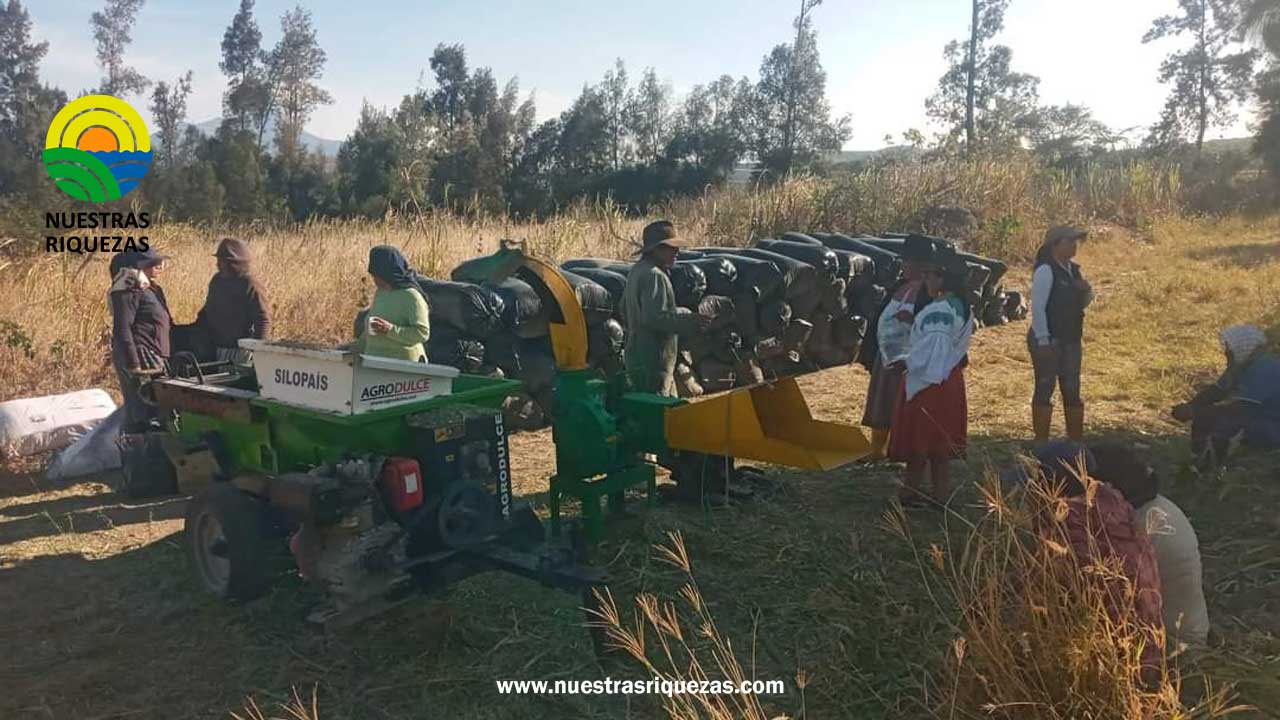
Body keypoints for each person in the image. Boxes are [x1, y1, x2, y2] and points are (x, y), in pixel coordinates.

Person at [1006, 441, 1164, 678]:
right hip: (1146, 660)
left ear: (1049, 491)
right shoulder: (1119, 514)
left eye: (1032, 488)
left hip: (1106, 673)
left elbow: (1031, 606)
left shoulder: (1072, 539)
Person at [1090, 441, 1209, 649]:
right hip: (1183, 639)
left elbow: (1102, 605)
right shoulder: (1159, 508)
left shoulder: (1130, 532)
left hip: (1167, 651)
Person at [888, 248, 973, 505]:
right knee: (938, 444)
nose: (926, 279)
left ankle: (909, 492)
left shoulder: (941, 310)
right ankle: (940, 494)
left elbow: (936, 345)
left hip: (931, 381)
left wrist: (906, 361)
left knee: (921, 440)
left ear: (943, 278)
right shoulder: (955, 304)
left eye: (930, 275)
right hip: (948, 379)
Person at [861, 236, 932, 460]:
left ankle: (901, 449)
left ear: (922, 265)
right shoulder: (900, 286)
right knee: (881, 402)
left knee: (904, 404)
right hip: (887, 356)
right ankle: (876, 450)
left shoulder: (929, 293)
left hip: (911, 358)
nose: (903, 266)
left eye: (908, 262)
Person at [1172, 324, 1280, 469]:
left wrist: (1197, 412)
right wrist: (1191, 405)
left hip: (1273, 425)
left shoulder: (1266, 368)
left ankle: (1210, 466)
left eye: (1229, 349)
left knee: (1220, 422)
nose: (1226, 353)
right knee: (1212, 417)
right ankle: (1204, 461)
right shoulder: (1243, 366)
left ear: (1242, 347)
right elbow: (1217, 391)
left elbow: (1242, 410)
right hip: (1261, 419)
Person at [622, 220, 709, 397]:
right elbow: (655, 318)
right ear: (657, 249)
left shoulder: (637, 271)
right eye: (671, 248)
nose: (677, 252)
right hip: (653, 359)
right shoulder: (655, 276)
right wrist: (690, 321)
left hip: (637, 355)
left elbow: (623, 308)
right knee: (659, 412)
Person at [1028, 226, 1094, 442]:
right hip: (1050, 339)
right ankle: (1041, 444)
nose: (1074, 246)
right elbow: (1037, 308)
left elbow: (1082, 303)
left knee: (1072, 390)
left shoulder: (1073, 270)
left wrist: (1085, 290)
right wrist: (1043, 340)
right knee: (1045, 387)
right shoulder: (1046, 270)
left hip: (1071, 338)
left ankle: (1075, 444)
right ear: (1055, 245)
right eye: (1069, 241)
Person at [109, 248, 172, 433]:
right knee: (142, 413)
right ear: (137, 266)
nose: (160, 265)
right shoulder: (128, 287)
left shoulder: (149, 288)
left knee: (155, 411)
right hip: (140, 355)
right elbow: (122, 327)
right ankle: (138, 455)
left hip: (151, 354)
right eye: (153, 262)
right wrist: (134, 363)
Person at [192, 238, 271, 363]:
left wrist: (258, 350)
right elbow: (208, 309)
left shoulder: (250, 284)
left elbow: (263, 318)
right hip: (218, 347)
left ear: (233, 263)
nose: (217, 264)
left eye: (221, 261)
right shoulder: (217, 281)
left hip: (242, 350)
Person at [355, 245, 430, 362]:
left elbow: (422, 333)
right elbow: (371, 329)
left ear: (386, 273)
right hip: (374, 363)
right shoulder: (380, 293)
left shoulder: (411, 296)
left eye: (377, 276)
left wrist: (390, 330)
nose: (375, 280)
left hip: (404, 367)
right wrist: (353, 349)